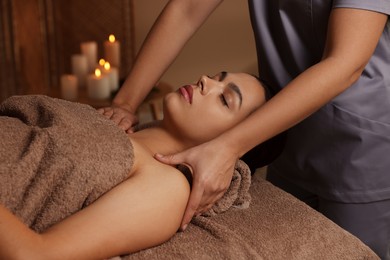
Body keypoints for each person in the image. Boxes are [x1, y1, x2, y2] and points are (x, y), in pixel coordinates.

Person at [98, 1, 390, 258]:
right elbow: (187, 9)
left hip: (358, 142)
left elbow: (346, 62)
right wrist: (125, 103)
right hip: (281, 134)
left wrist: (227, 147)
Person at [0, 72, 267, 259]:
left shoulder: (167, 188)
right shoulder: (115, 123)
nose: (205, 81)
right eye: (216, 77)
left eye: (225, 99)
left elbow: (35, 254)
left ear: (230, 146)